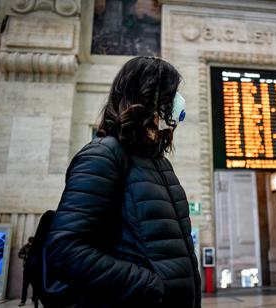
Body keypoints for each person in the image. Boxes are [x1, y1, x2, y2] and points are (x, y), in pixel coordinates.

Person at [45, 56, 201, 307]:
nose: (178, 100)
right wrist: (152, 288)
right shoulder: (103, 155)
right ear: (148, 96)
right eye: (172, 92)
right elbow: (65, 250)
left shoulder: (159, 163)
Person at [18, 236, 36, 307]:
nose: (31, 244)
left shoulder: (36, 247)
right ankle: (23, 301)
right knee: (25, 286)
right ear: (29, 242)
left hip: (34, 269)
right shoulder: (25, 247)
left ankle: (34, 299)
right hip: (26, 269)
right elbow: (19, 254)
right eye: (30, 243)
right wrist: (25, 256)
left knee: (35, 286)